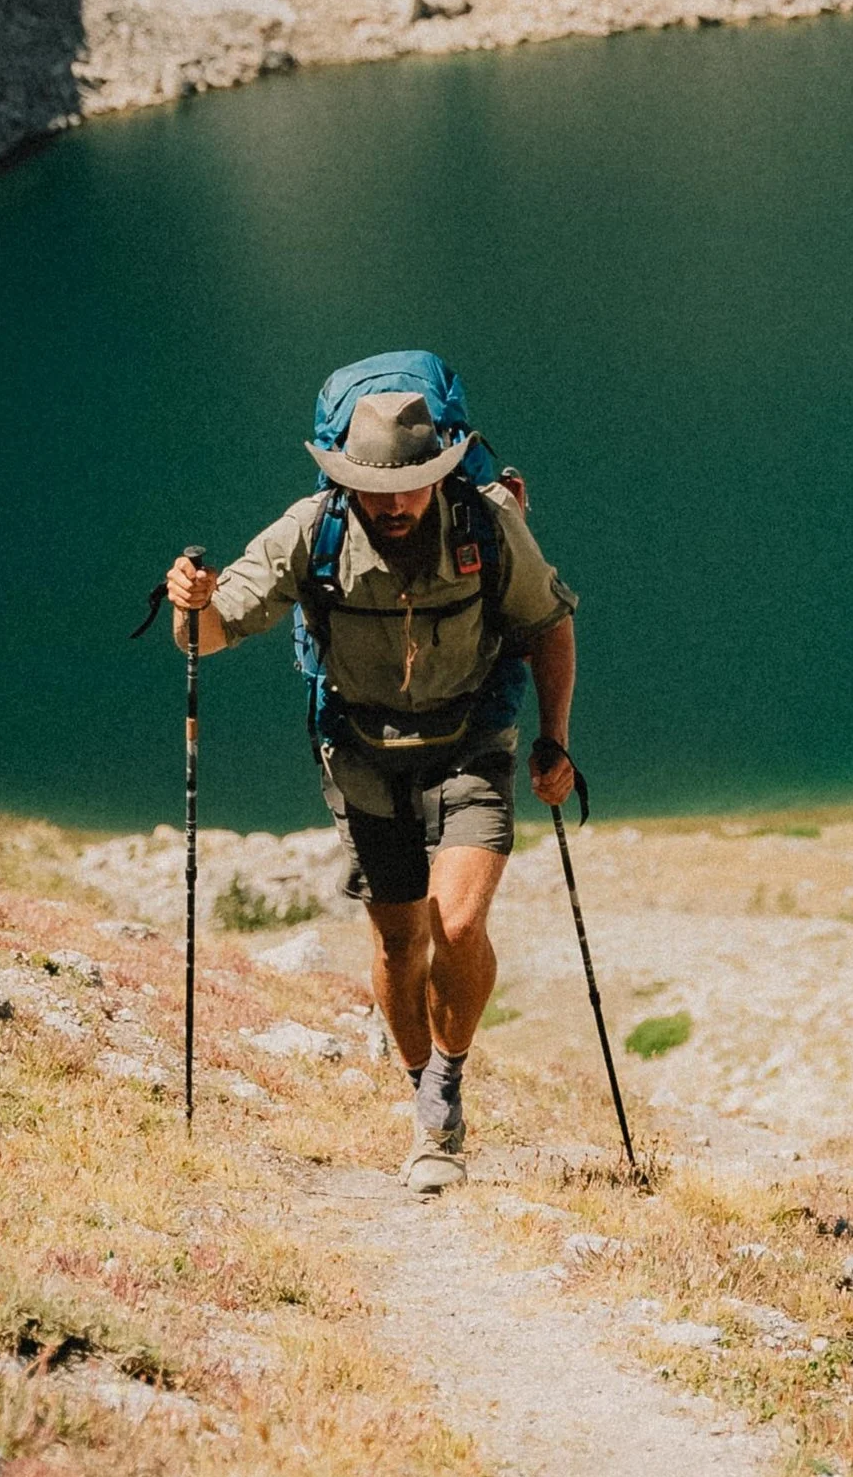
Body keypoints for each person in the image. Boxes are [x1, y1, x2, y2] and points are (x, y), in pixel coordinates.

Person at [167, 384, 578, 1196]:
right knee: (398, 939)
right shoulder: (308, 530)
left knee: (456, 921)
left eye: (409, 486)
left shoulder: (487, 525)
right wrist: (190, 608)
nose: (393, 504)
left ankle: (442, 1102)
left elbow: (550, 622)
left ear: (437, 471)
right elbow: (208, 634)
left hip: (472, 740)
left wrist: (554, 737)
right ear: (347, 478)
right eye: (375, 489)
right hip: (360, 749)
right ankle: (421, 1080)